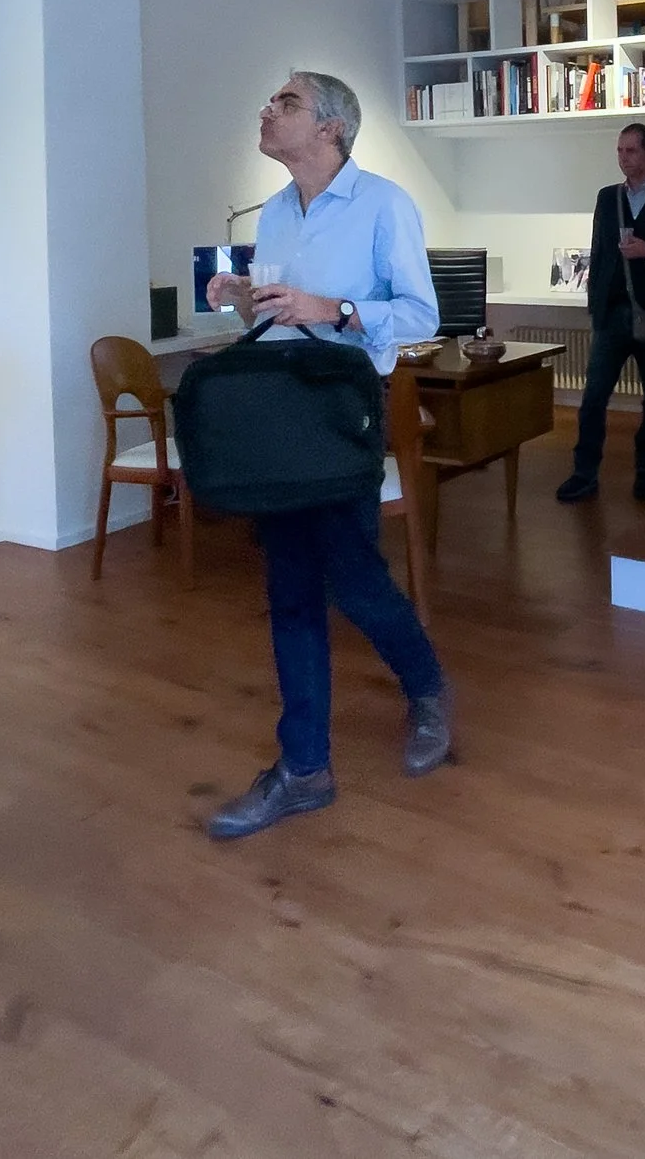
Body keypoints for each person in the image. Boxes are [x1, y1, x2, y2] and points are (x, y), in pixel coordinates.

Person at [201, 71, 450, 840]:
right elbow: (283, 310)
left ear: (331, 127)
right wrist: (245, 296)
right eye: (270, 100)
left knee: (356, 579)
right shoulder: (275, 212)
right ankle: (304, 767)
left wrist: (334, 309)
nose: (267, 110)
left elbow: (421, 314)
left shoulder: (384, 204)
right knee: (290, 587)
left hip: (344, 413)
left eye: (287, 102)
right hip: (280, 411)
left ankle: (427, 685)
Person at [556, 123, 645, 503]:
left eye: (631, 151)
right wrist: (595, 307)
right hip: (612, 315)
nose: (623, 158)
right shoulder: (608, 198)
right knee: (593, 397)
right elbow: (600, 253)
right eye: (619, 151)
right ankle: (584, 474)